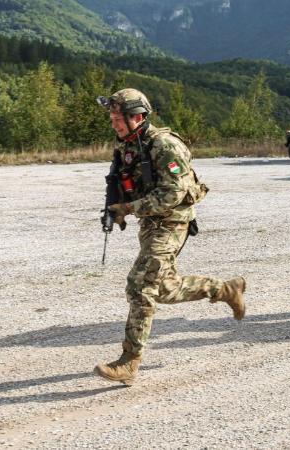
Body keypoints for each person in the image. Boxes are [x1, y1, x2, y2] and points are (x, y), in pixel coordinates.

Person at [94, 88, 247, 385]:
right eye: (111, 117)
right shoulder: (128, 145)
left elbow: (174, 192)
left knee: (140, 286)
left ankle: (129, 361)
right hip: (152, 222)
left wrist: (130, 207)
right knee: (163, 288)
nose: (113, 123)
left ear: (137, 116)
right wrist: (118, 207)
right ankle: (225, 290)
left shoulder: (164, 145)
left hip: (172, 222)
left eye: (117, 117)